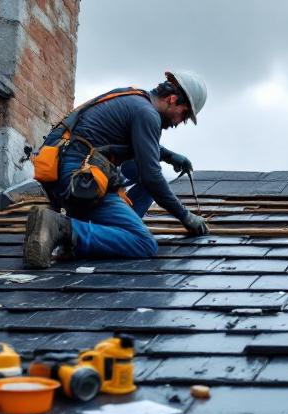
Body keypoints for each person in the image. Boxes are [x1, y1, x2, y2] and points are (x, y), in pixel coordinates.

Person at [23, 70, 212, 268]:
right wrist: (185, 216)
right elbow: (152, 177)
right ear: (172, 99)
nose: (177, 123)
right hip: (79, 179)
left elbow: (138, 151)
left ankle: (97, 236)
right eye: (183, 115)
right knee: (143, 243)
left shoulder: (134, 98)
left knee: (138, 173)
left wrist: (167, 155)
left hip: (66, 174)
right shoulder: (147, 114)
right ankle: (63, 229)